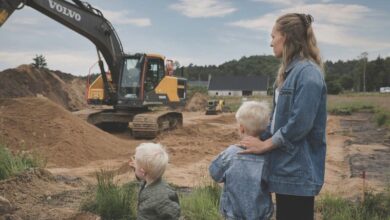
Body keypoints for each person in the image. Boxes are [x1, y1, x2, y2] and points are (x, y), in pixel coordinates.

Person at [239, 13, 327, 220]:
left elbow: (300, 124)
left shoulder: (308, 74)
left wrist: (265, 144)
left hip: (297, 171)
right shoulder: (288, 74)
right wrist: (252, 141)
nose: (271, 43)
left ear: (285, 37)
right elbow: (278, 122)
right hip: (286, 169)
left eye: (273, 36)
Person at [209, 101, 273, 220]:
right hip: (261, 215)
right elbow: (272, 183)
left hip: (232, 214)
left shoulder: (230, 153)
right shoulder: (268, 156)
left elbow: (214, 173)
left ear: (241, 129)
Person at [129, 143, 181, 220]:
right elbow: (141, 177)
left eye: (135, 163)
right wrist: (136, 168)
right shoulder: (149, 181)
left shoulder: (163, 196)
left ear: (142, 171)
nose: (134, 163)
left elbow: (172, 214)